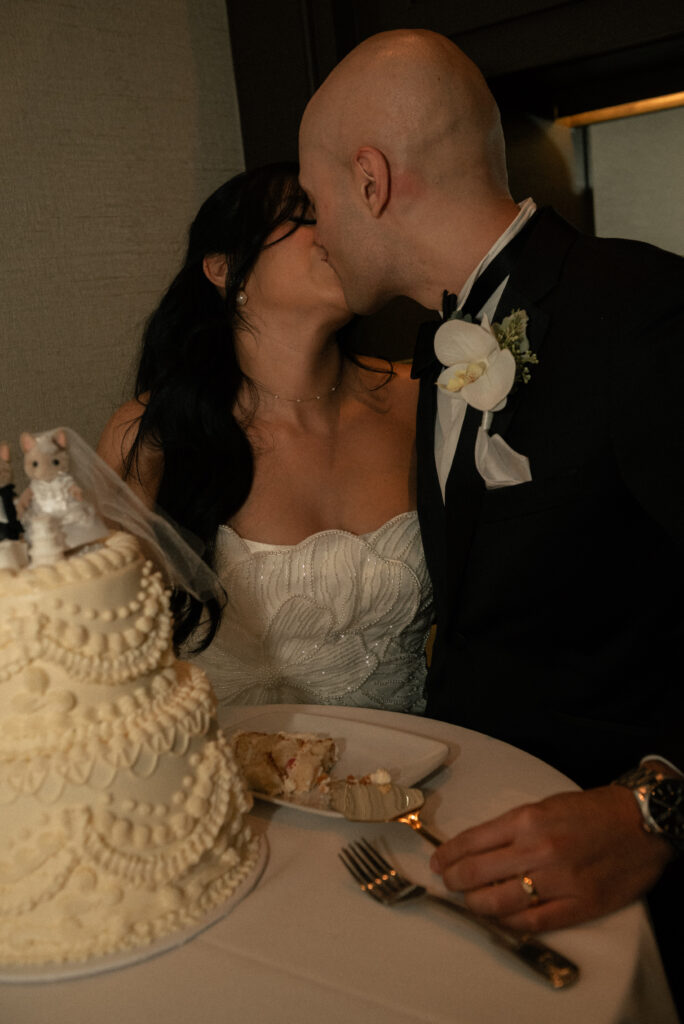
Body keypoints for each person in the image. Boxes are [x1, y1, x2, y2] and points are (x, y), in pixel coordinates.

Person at [298, 29, 684, 1005]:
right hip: (486, 853)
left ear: (372, 179)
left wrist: (655, 805)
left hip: (632, 893)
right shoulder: (442, 348)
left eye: (315, 202)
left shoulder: (637, 310)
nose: (316, 231)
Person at [97, 162, 432, 712]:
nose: (335, 234)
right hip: (232, 782)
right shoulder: (156, 433)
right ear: (224, 269)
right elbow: (104, 647)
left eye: (340, 217)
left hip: (414, 780)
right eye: (304, 218)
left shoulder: (418, 398)